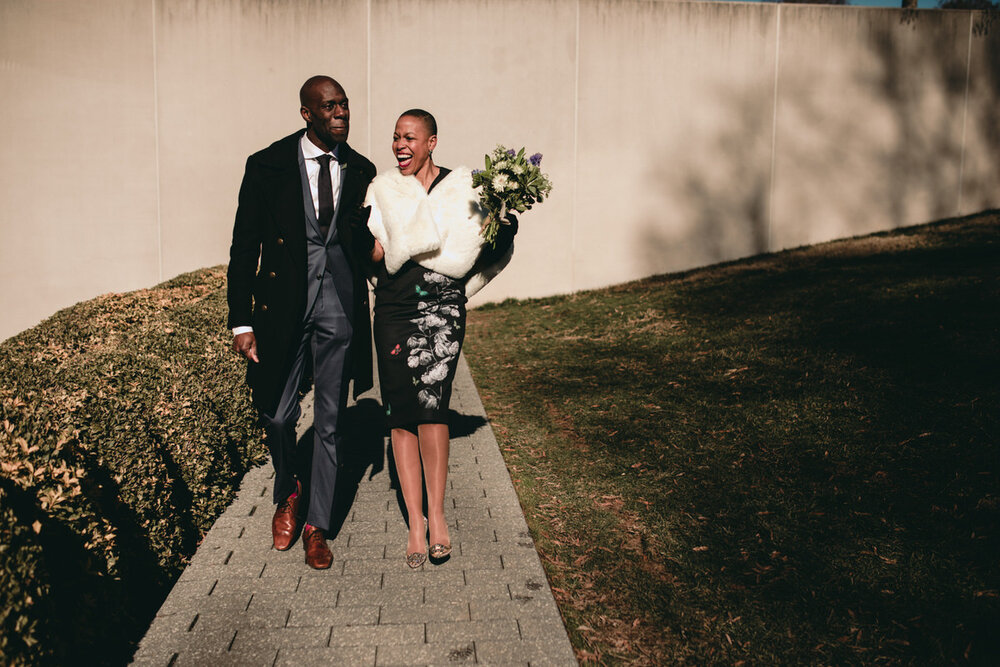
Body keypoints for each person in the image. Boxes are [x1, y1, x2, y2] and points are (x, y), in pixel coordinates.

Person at [227, 76, 377, 569]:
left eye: (345, 105)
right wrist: (240, 321)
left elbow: (368, 243)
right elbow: (244, 248)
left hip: (338, 305)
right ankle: (288, 489)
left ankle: (317, 525)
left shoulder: (362, 170)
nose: (340, 113)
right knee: (277, 413)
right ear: (306, 114)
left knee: (329, 421)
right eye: (329, 106)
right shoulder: (266, 165)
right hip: (284, 306)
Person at [365, 110, 516, 567]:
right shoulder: (382, 189)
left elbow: (481, 246)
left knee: (433, 405)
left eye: (409, 137)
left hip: (441, 308)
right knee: (399, 412)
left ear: (432, 142)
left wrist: (504, 224)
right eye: (395, 138)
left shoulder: (466, 188)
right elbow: (374, 252)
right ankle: (414, 522)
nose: (399, 145)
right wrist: (366, 242)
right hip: (393, 307)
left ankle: (437, 514)